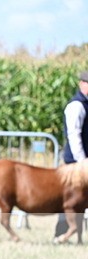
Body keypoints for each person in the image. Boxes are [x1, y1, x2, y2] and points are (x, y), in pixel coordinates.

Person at [54, 70, 88, 237]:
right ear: (81, 84)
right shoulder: (77, 105)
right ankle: (61, 231)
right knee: (69, 199)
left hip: (82, 163)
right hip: (76, 163)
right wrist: (82, 163)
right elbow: (74, 135)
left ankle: (79, 235)